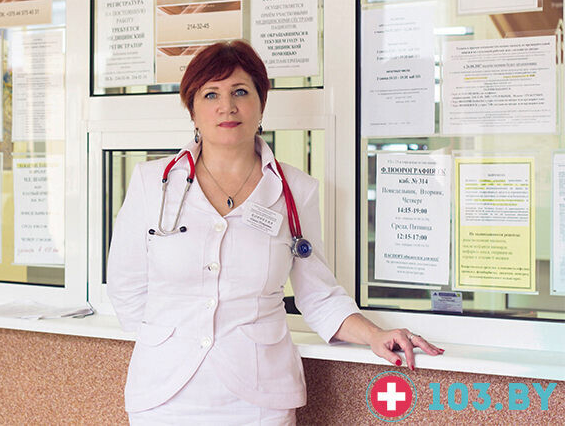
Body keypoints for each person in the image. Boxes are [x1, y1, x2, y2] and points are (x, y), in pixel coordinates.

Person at [107, 40, 443, 425]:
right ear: (192, 109)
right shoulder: (152, 183)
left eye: (240, 92)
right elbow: (126, 287)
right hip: (165, 392)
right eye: (211, 94)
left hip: (259, 395)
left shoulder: (295, 190)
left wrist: (374, 335)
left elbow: (317, 294)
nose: (227, 106)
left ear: (261, 104)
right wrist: (168, 339)